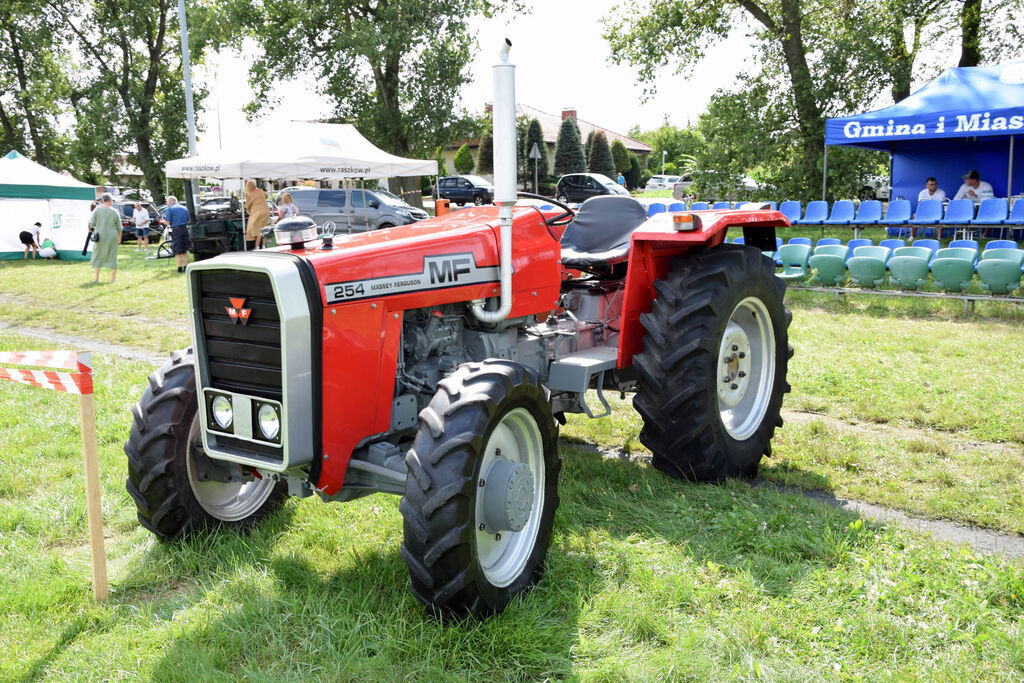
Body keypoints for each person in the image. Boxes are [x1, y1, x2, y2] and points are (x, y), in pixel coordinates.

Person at [89, 193, 121, 283]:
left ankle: (96, 278)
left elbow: (92, 223)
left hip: (100, 236)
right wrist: (119, 238)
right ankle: (113, 279)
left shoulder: (97, 210)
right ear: (110, 201)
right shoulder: (115, 211)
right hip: (112, 236)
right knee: (112, 256)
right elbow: (120, 227)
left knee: (98, 255)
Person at [164, 195, 191, 273]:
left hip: (176, 231)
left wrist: (164, 221)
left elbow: (168, 222)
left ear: (170, 201)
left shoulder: (170, 209)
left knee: (177, 251)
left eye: (167, 202)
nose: (167, 204)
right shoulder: (184, 208)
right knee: (184, 250)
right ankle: (186, 267)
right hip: (185, 229)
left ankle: (179, 268)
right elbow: (188, 220)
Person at [244, 180, 270, 250]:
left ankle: (256, 247)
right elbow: (266, 196)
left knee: (257, 230)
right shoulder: (260, 191)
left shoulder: (251, 194)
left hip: (257, 212)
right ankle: (264, 246)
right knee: (264, 229)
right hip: (266, 211)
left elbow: (246, 205)